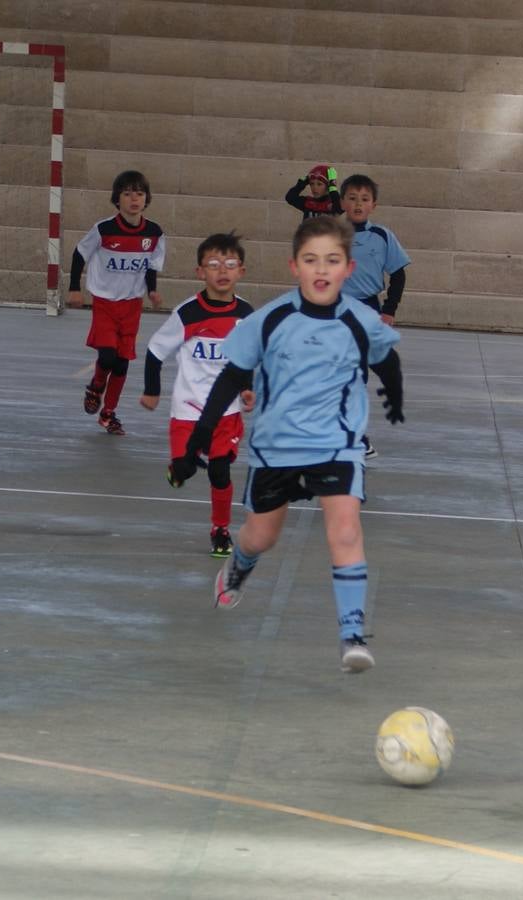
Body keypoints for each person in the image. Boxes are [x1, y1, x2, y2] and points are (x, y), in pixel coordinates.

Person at [171, 216, 404, 674]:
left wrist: (393, 396)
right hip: (276, 448)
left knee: (345, 531)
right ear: (293, 266)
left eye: (332, 260)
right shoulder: (271, 318)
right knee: (262, 535)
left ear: (348, 268)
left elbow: (387, 356)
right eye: (311, 259)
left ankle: (352, 634)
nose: (322, 269)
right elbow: (232, 377)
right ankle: (239, 565)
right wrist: (199, 437)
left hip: (338, 445)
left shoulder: (361, 320)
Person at [139, 231, 255, 558]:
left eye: (230, 264)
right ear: (200, 272)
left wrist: (247, 388)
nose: (222, 271)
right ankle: (178, 469)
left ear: (241, 272)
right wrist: (152, 391)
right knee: (186, 469)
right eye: (214, 264)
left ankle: (220, 528)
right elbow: (155, 351)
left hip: (227, 412)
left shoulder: (246, 315)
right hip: (188, 411)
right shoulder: (188, 314)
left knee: (220, 471)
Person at [67, 170, 166, 436]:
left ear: (146, 199)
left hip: (132, 305)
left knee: (122, 363)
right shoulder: (104, 229)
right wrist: (74, 288)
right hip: (105, 303)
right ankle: (96, 386)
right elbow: (79, 254)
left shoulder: (154, 233)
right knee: (108, 356)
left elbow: (151, 266)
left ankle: (108, 413)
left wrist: (152, 291)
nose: (134, 199)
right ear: (117, 199)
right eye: (127, 194)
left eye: (139, 193)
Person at [340, 173, 411, 459]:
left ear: (373, 205)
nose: (358, 204)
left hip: (368, 309)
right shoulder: (329, 234)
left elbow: (398, 274)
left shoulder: (382, 236)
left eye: (365, 199)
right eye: (353, 198)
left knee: (380, 367)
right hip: (336, 311)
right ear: (343, 201)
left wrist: (389, 310)